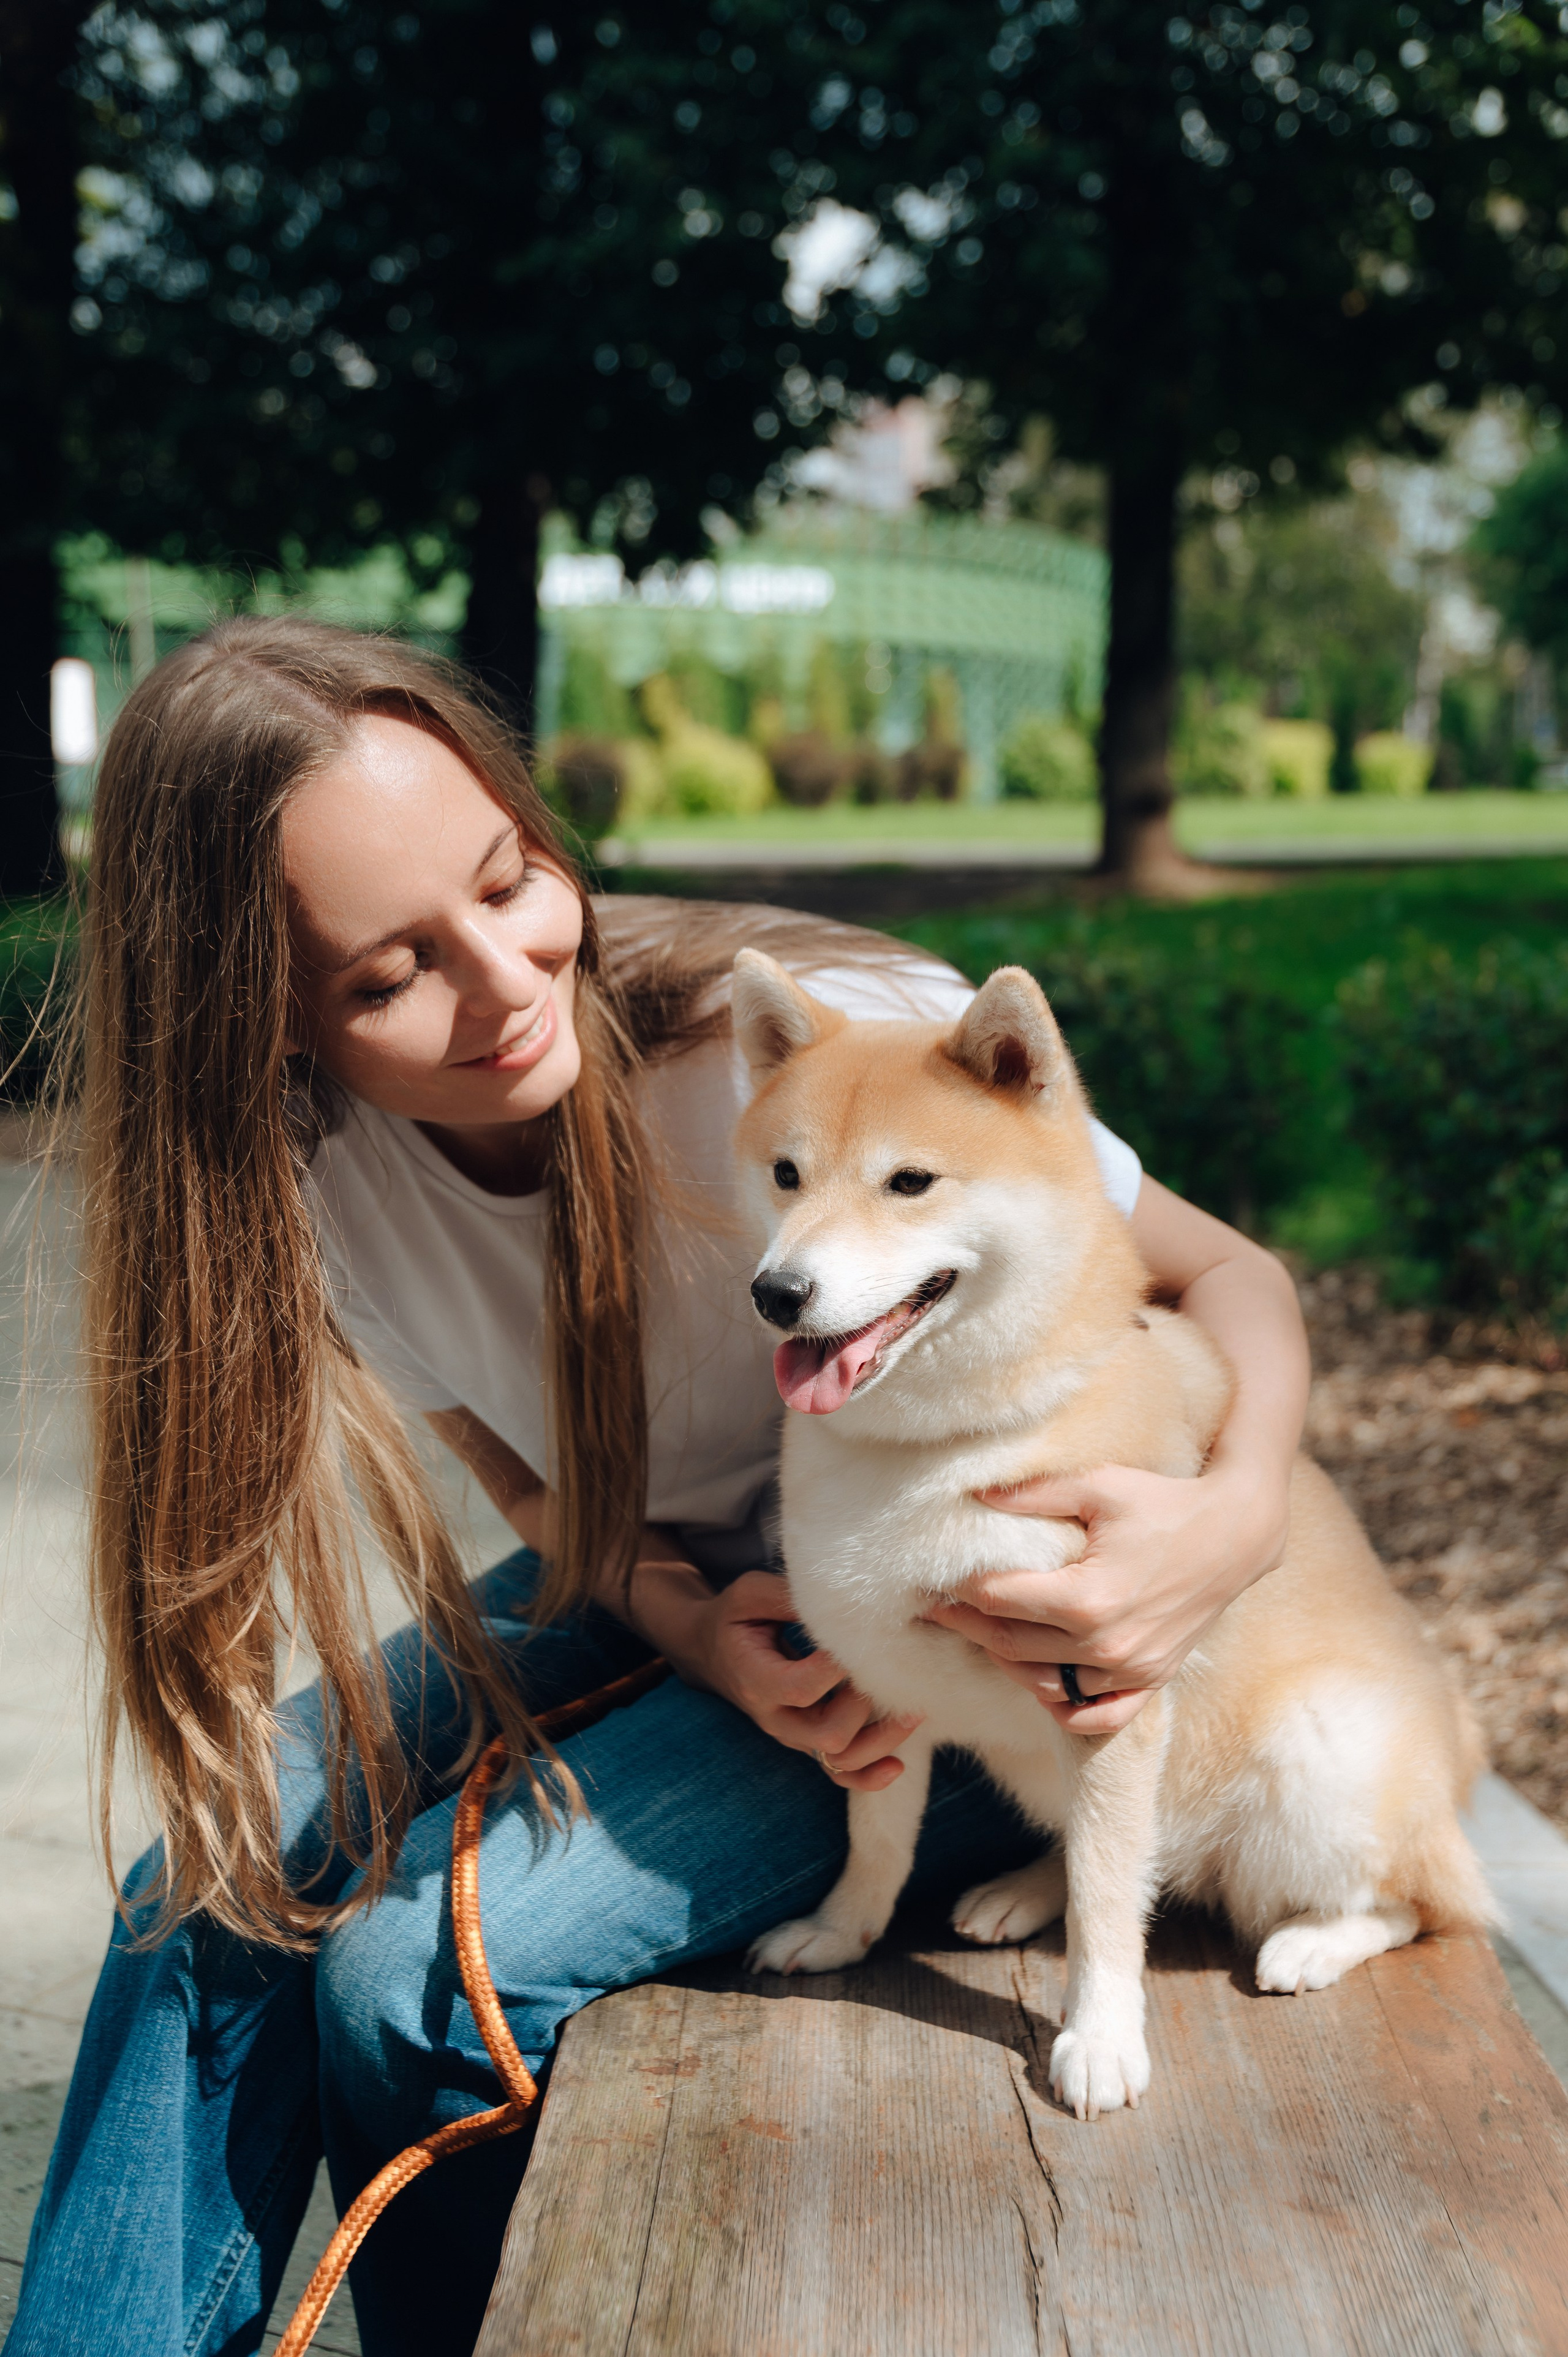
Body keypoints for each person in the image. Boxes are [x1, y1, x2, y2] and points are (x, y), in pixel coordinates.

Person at [11, 618, 1310, 2357]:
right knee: (214, 1879)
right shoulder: (303, 1185)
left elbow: (1240, 1279)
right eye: (389, 975)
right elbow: (512, 1465)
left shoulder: (804, 1052)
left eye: (508, 878)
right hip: (673, 1577)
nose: (502, 979)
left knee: (410, 1990)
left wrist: (1230, 1525)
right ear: (264, 1025)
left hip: (971, 1618)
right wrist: (689, 1623)